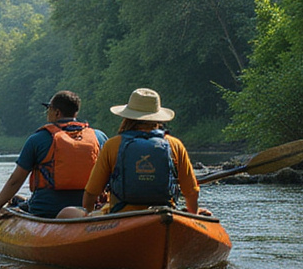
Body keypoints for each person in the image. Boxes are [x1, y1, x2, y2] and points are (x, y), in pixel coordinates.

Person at [58, 88, 205, 218]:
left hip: (121, 216)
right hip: (164, 213)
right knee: (203, 212)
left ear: (127, 116)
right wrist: (193, 215)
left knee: (67, 212)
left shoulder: (113, 145)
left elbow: (91, 192)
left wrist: (89, 215)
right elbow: (191, 192)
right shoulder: (175, 145)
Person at [0, 90, 107, 222]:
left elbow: (15, 181)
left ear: (57, 112)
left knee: (13, 205)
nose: (47, 112)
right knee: (19, 200)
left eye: (48, 108)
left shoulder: (38, 139)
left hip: (45, 211)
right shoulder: (99, 137)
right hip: (89, 208)